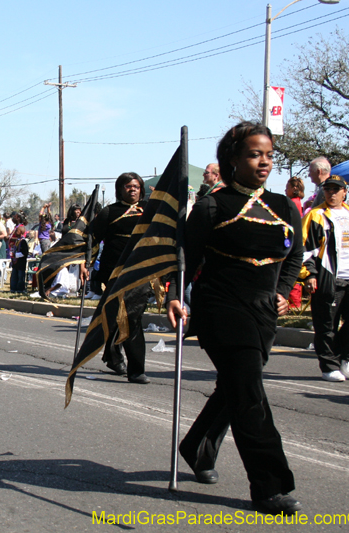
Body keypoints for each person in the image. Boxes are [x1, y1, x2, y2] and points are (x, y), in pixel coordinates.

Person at [167, 121, 304, 515]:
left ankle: (196, 447)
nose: (264, 162)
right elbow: (185, 259)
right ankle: (269, 486)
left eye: (269, 155)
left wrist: (283, 292)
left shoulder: (285, 207)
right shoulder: (212, 205)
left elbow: (294, 255)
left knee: (236, 388)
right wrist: (176, 297)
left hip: (263, 312)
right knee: (249, 396)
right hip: (221, 308)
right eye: (254, 154)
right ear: (232, 159)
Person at [303, 176, 349, 382]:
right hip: (329, 278)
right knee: (327, 325)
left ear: (345, 192)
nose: (332, 193)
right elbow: (305, 249)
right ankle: (329, 366)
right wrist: (309, 274)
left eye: (336, 190)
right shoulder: (316, 215)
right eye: (328, 189)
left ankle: (346, 358)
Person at [79, 172, 150, 383]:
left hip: (142, 272)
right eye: (128, 186)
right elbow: (92, 239)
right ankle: (133, 368)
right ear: (120, 190)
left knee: (131, 316)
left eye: (136, 186)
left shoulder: (150, 210)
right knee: (123, 316)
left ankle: (115, 356)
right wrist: (85, 263)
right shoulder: (110, 212)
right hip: (114, 273)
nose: (133, 189)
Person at [8, 225, 29, 293]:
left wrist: (16, 255)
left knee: (20, 277)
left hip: (21, 263)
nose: (16, 232)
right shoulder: (17, 241)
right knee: (14, 276)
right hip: (15, 263)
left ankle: (20, 289)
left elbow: (24, 253)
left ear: (21, 232)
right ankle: (13, 288)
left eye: (17, 231)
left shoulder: (23, 242)